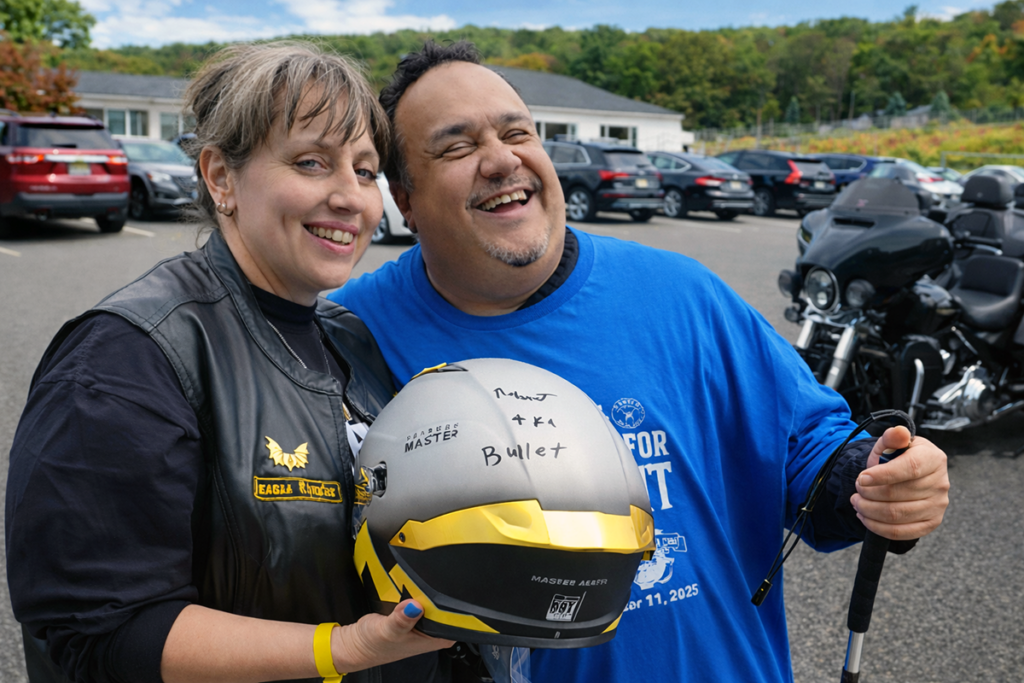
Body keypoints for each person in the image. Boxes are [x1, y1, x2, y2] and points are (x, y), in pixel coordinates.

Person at [327, 41, 951, 683]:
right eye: (457, 147)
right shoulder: (346, 335)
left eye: (518, 133)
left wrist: (880, 481)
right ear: (404, 197)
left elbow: (807, 450)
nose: (503, 160)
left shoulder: (682, 294)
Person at [6, 43, 453, 683]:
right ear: (220, 177)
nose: (351, 197)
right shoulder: (125, 359)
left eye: (364, 170)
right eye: (311, 162)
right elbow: (99, 629)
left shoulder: (349, 337)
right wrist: (342, 650)